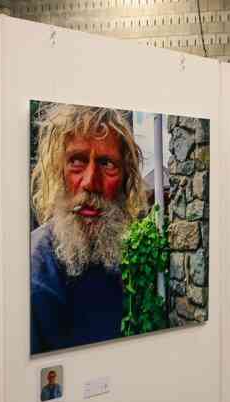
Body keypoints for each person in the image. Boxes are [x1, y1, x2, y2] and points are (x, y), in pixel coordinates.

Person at [30, 104, 147, 355]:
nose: (90, 181)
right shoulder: (34, 281)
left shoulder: (107, 254)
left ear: (126, 179)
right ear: (59, 171)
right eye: (77, 161)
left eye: (107, 164)